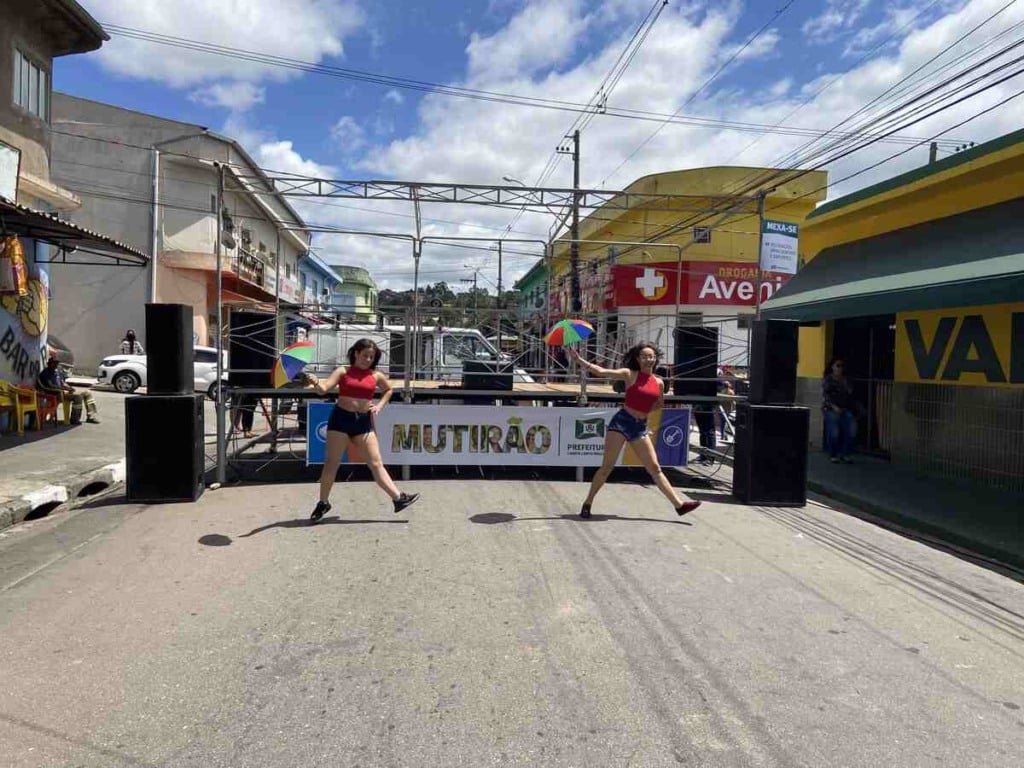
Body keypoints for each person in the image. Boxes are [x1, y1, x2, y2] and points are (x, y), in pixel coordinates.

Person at [569, 343, 701, 519]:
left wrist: (645, 419)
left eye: (651, 356)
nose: (648, 359)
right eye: (644, 356)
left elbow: (659, 404)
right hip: (621, 422)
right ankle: (588, 502)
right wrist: (579, 360)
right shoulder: (629, 374)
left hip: (639, 427)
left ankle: (679, 505)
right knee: (607, 467)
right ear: (638, 359)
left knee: (655, 468)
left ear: (655, 359)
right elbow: (601, 372)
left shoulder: (659, 382)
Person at [304, 338, 420, 522]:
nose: (368, 359)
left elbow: (388, 390)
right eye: (365, 355)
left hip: (363, 422)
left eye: (372, 357)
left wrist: (379, 405)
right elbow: (323, 390)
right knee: (331, 463)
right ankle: (323, 502)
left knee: (376, 463)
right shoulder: (343, 371)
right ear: (356, 353)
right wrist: (316, 382)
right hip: (341, 419)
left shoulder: (376, 375)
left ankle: (398, 499)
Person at [37, 355, 100, 424]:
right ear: (49, 364)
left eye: (56, 363)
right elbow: (51, 385)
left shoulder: (57, 372)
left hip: (64, 391)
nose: (55, 365)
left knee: (87, 393)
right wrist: (65, 389)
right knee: (78, 397)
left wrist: (69, 387)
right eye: (53, 363)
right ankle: (74, 419)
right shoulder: (46, 373)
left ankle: (91, 416)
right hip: (56, 394)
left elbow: (62, 382)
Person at [822, 357, 857, 463]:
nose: (840, 368)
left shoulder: (846, 379)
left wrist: (845, 382)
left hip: (845, 408)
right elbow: (825, 396)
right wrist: (833, 407)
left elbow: (851, 393)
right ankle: (833, 454)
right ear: (832, 367)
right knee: (834, 432)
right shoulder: (828, 379)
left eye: (842, 366)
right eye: (838, 365)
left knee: (852, 430)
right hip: (831, 408)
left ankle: (845, 453)